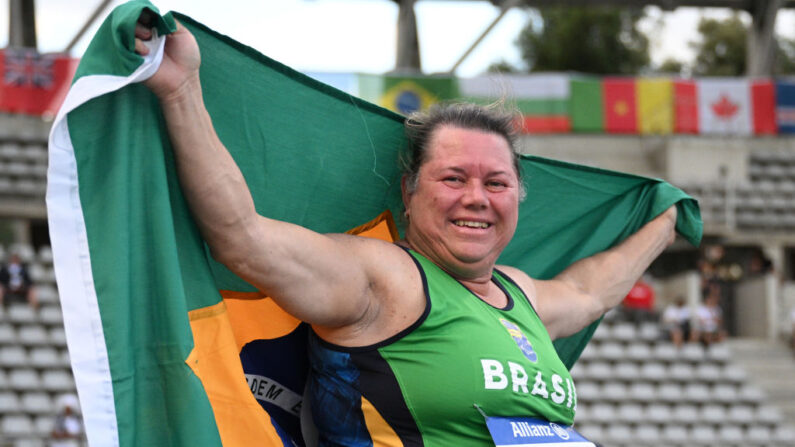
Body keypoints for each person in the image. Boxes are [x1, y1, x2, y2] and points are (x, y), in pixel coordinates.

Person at [133, 17, 678, 446]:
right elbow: (243, 239)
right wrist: (181, 92)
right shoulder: (383, 280)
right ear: (409, 192)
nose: (476, 198)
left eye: (497, 182)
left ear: (518, 197)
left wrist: (667, 221)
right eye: (453, 178)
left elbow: (588, 293)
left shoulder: (520, 295)